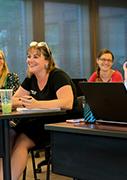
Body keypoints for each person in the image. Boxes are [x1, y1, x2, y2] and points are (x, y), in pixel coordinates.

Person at [2, 41, 77, 179]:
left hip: (58, 125)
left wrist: (36, 104)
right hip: (36, 121)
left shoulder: (58, 76)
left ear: (47, 61)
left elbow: (68, 102)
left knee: (22, 140)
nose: (30, 60)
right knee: (7, 135)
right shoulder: (30, 79)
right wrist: (24, 102)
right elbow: (13, 100)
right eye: (28, 56)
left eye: (35, 57)